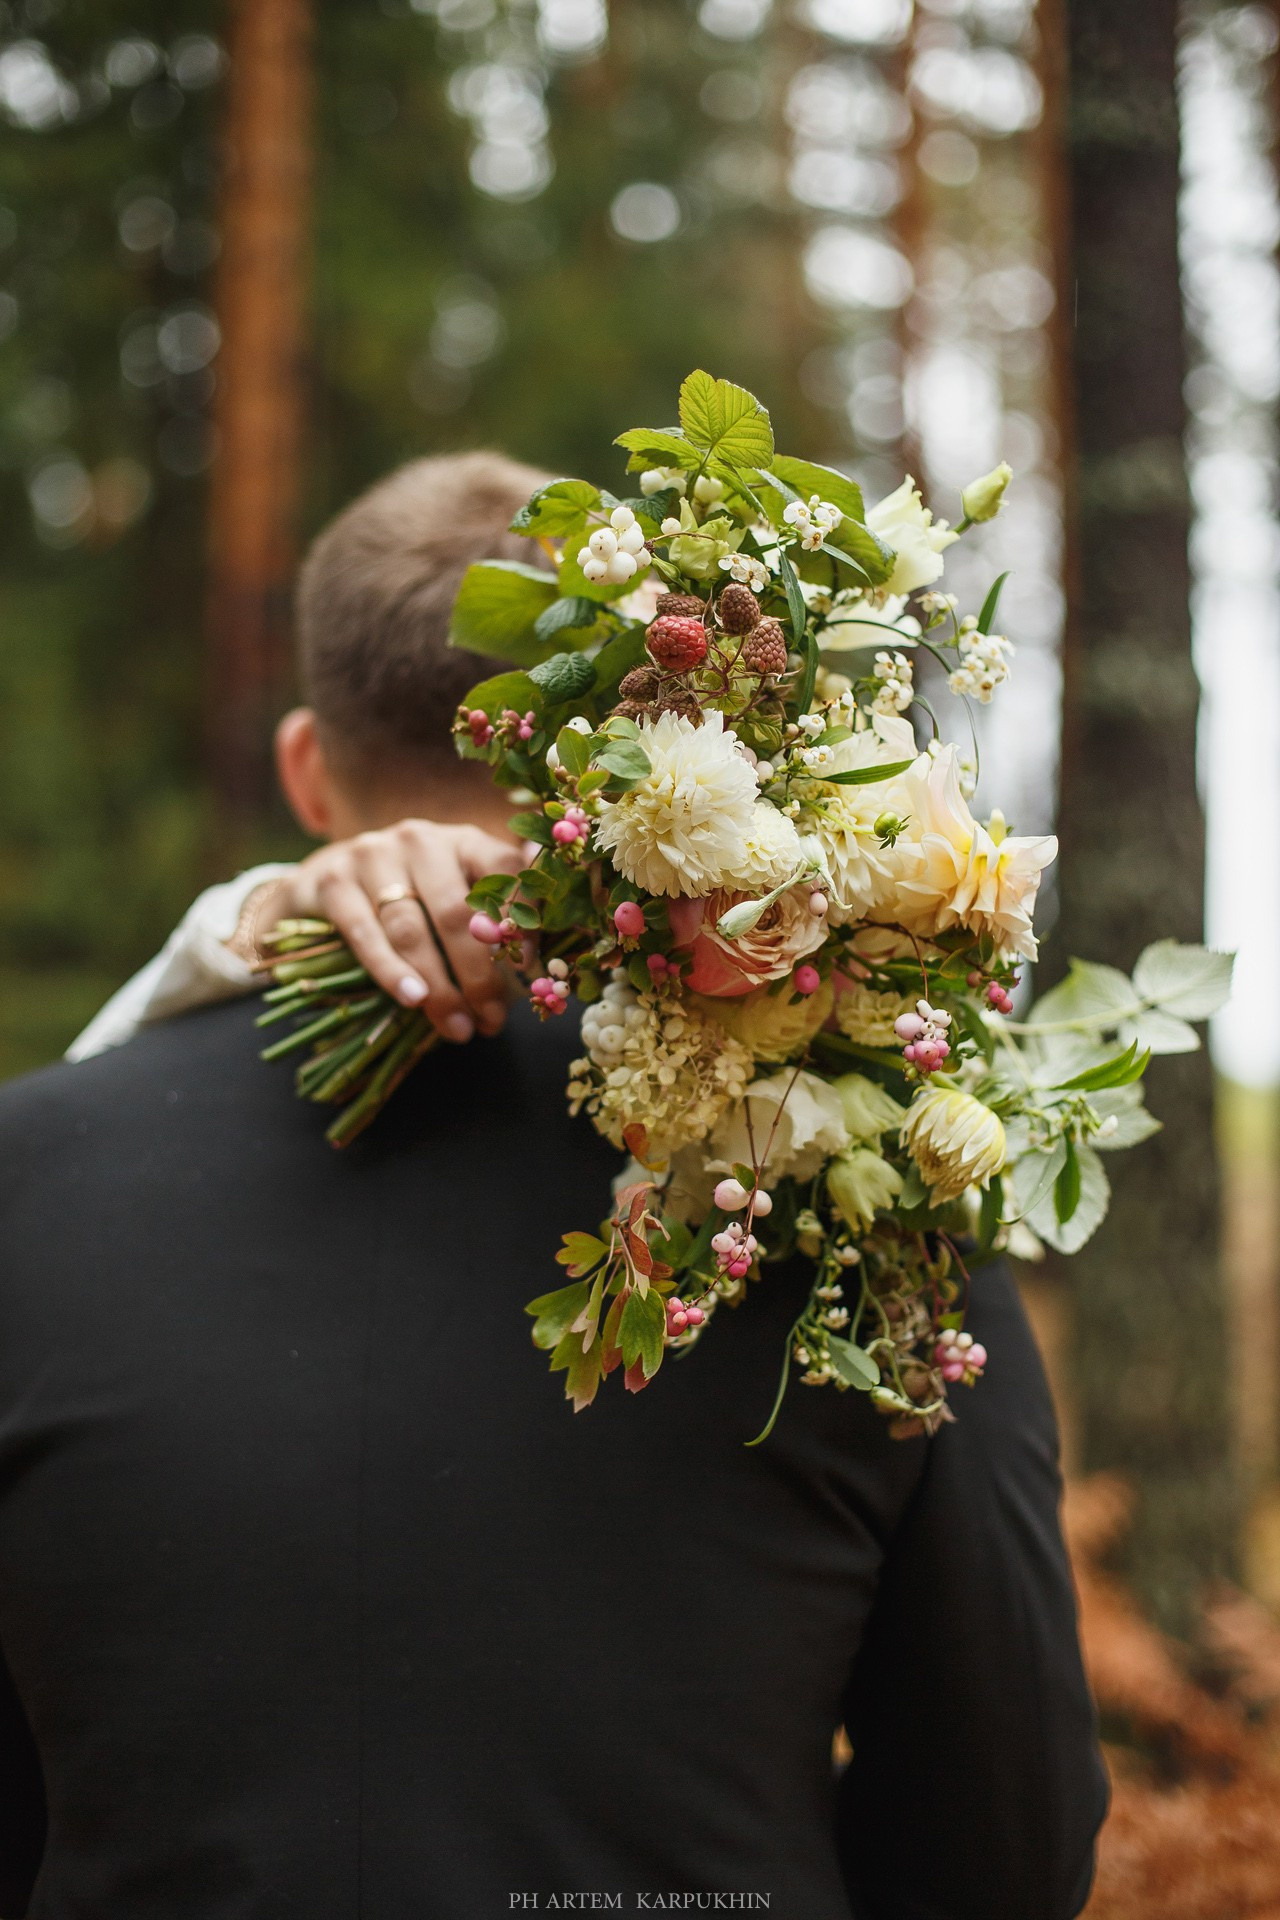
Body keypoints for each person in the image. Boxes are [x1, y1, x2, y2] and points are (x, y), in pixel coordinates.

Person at [0, 454, 1108, 1918]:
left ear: (304, 770)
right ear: (634, 736)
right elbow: (1004, 1841)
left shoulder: (29, 1177)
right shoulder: (853, 1184)